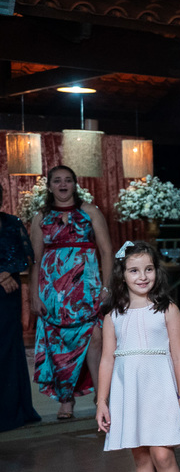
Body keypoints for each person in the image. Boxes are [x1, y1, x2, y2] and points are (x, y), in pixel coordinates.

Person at [95, 241, 180, 472]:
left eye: (148, 269)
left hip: (161, 389)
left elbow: (179, 356)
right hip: (129, 392)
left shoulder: (167, 309)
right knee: (140, 455)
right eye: (134, 270)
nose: (142, 276)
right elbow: (107, 358)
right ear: (122, 274)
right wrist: (102, 400)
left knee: (162, 453)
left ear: (157, 272)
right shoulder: (113, 316)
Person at [30, 165, 112, 420]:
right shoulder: (40, 217)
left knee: (95, 342)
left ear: (75, 184)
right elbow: (35, 259)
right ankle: (66, 401)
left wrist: (107, 287)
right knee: (59, 348)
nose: (63, 185)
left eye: (68, 180)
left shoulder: (90, 212)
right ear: (50, 186)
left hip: (87, 290)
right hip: (52, 293)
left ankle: (103, 400)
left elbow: (107, 252)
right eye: (57, 180)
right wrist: (34, 295)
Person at [0, 202, 41, 432]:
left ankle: (12, 411)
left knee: (8, 350)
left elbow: (27, 256)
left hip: (7, 296)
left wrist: (5, 272)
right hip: (4, 286)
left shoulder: (12, 222)